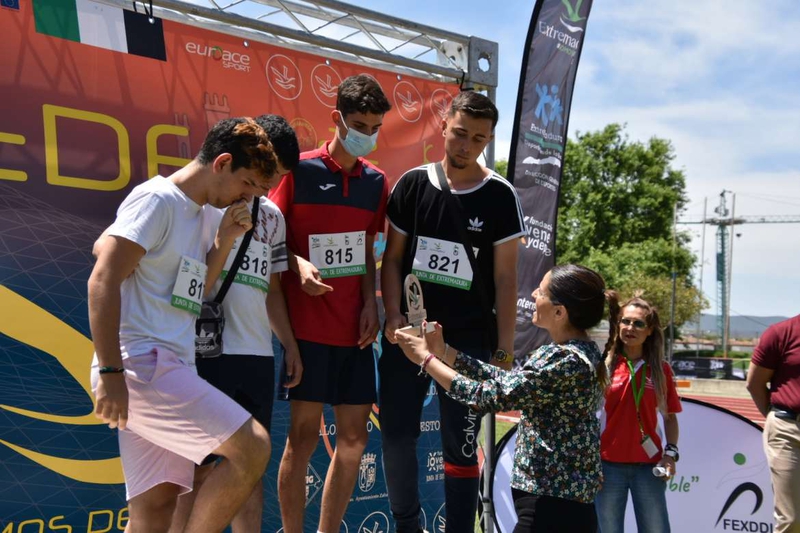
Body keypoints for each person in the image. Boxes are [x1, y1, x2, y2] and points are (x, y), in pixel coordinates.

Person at [88, 117, 280, 532]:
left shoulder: (201, 214)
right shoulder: (158, 199)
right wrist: (110, 371)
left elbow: (189, 296)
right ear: (223, 162)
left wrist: (223, 241)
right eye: (247, 184)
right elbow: (102, 278)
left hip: (170, 365)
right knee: (253, 448)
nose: (247, 198)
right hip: (143, 365)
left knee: (156, 507)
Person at [379, 90, 524, 532]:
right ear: (444, 126)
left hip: (468, 344)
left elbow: (505, 280)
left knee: (460, 447)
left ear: (488, 141)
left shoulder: (500, 195)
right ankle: (408, 525)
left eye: (478, 139)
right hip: (410, 336)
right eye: (460, 134)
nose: (465, 146)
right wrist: (392, 315)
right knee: (396, 436)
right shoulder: (413, 184)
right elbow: (393, 260)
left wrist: (502, 350)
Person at [395, 264, 608, 533]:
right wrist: (445, 351)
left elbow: (487, 397)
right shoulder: (577, 354)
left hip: (551, 506)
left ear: (559, 312)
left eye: (541, 291)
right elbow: (507, 384)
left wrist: (425, 359)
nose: (532, 295)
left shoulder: (563, 360)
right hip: (560, 504)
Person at [167, 115, 303, 533]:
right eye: (267, 174)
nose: (268, 186)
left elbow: (273, 290)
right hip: (207, 353)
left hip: (257, 356)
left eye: (277, 178)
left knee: (250, 467)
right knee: (195, 468)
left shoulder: (274, 217)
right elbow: (186, 285)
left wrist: (289, 345)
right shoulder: (206, 203)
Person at [268, 74, 392, 533]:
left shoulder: (377, 182)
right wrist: (298, 263)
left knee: (355, 441)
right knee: (301, 440)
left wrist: (370, 303)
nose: (367, 134)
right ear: (337, 118)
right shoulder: (297, 171)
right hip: (305, 329)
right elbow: (270, 237)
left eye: (375, 126)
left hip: (354, 332)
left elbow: (365, 250)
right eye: (359, 123)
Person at [595, 293, 682, 533]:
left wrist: (670, 454)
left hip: (649, 467)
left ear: (650, 330)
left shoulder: (660, 369)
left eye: (638, 323)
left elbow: (670, 418)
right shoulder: (605, 365)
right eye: (625, 321)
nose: (630, 327)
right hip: (607, 467)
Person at [747, 314, 800, 533]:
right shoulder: (782, 332)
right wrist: (775, 418)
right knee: (792, 520)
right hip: (788, 430)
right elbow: (755, 383)